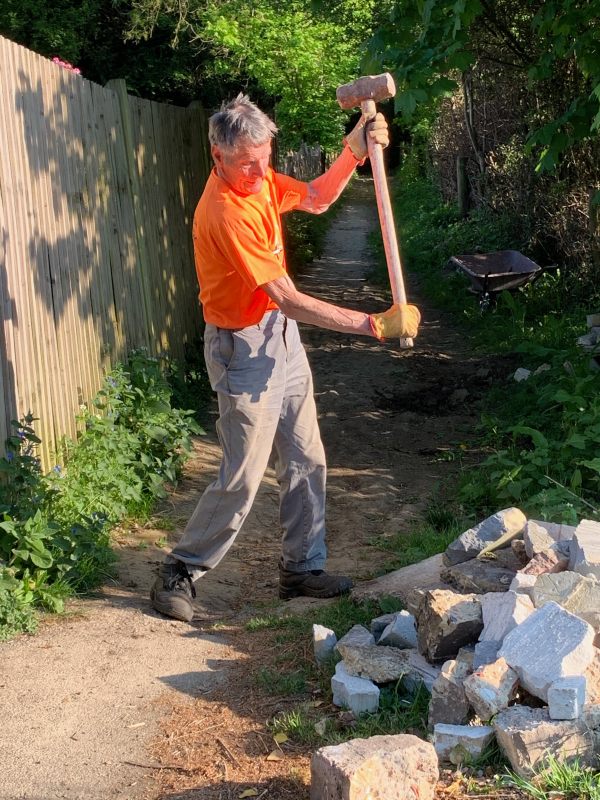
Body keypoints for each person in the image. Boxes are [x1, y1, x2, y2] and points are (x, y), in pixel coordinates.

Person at [151, 94, 421, 622]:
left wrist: (355, 149)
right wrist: (372, 324)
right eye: (245, 162)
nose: (257, 171)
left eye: (264, 157)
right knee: (243, 473)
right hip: (242, 348)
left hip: (280, 337)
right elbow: (288, 297)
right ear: (218, 154)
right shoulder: (225, 210)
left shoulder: (262, 180)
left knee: (306, 455)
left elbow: (318, 196)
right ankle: (179, 572)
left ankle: (301, 569)